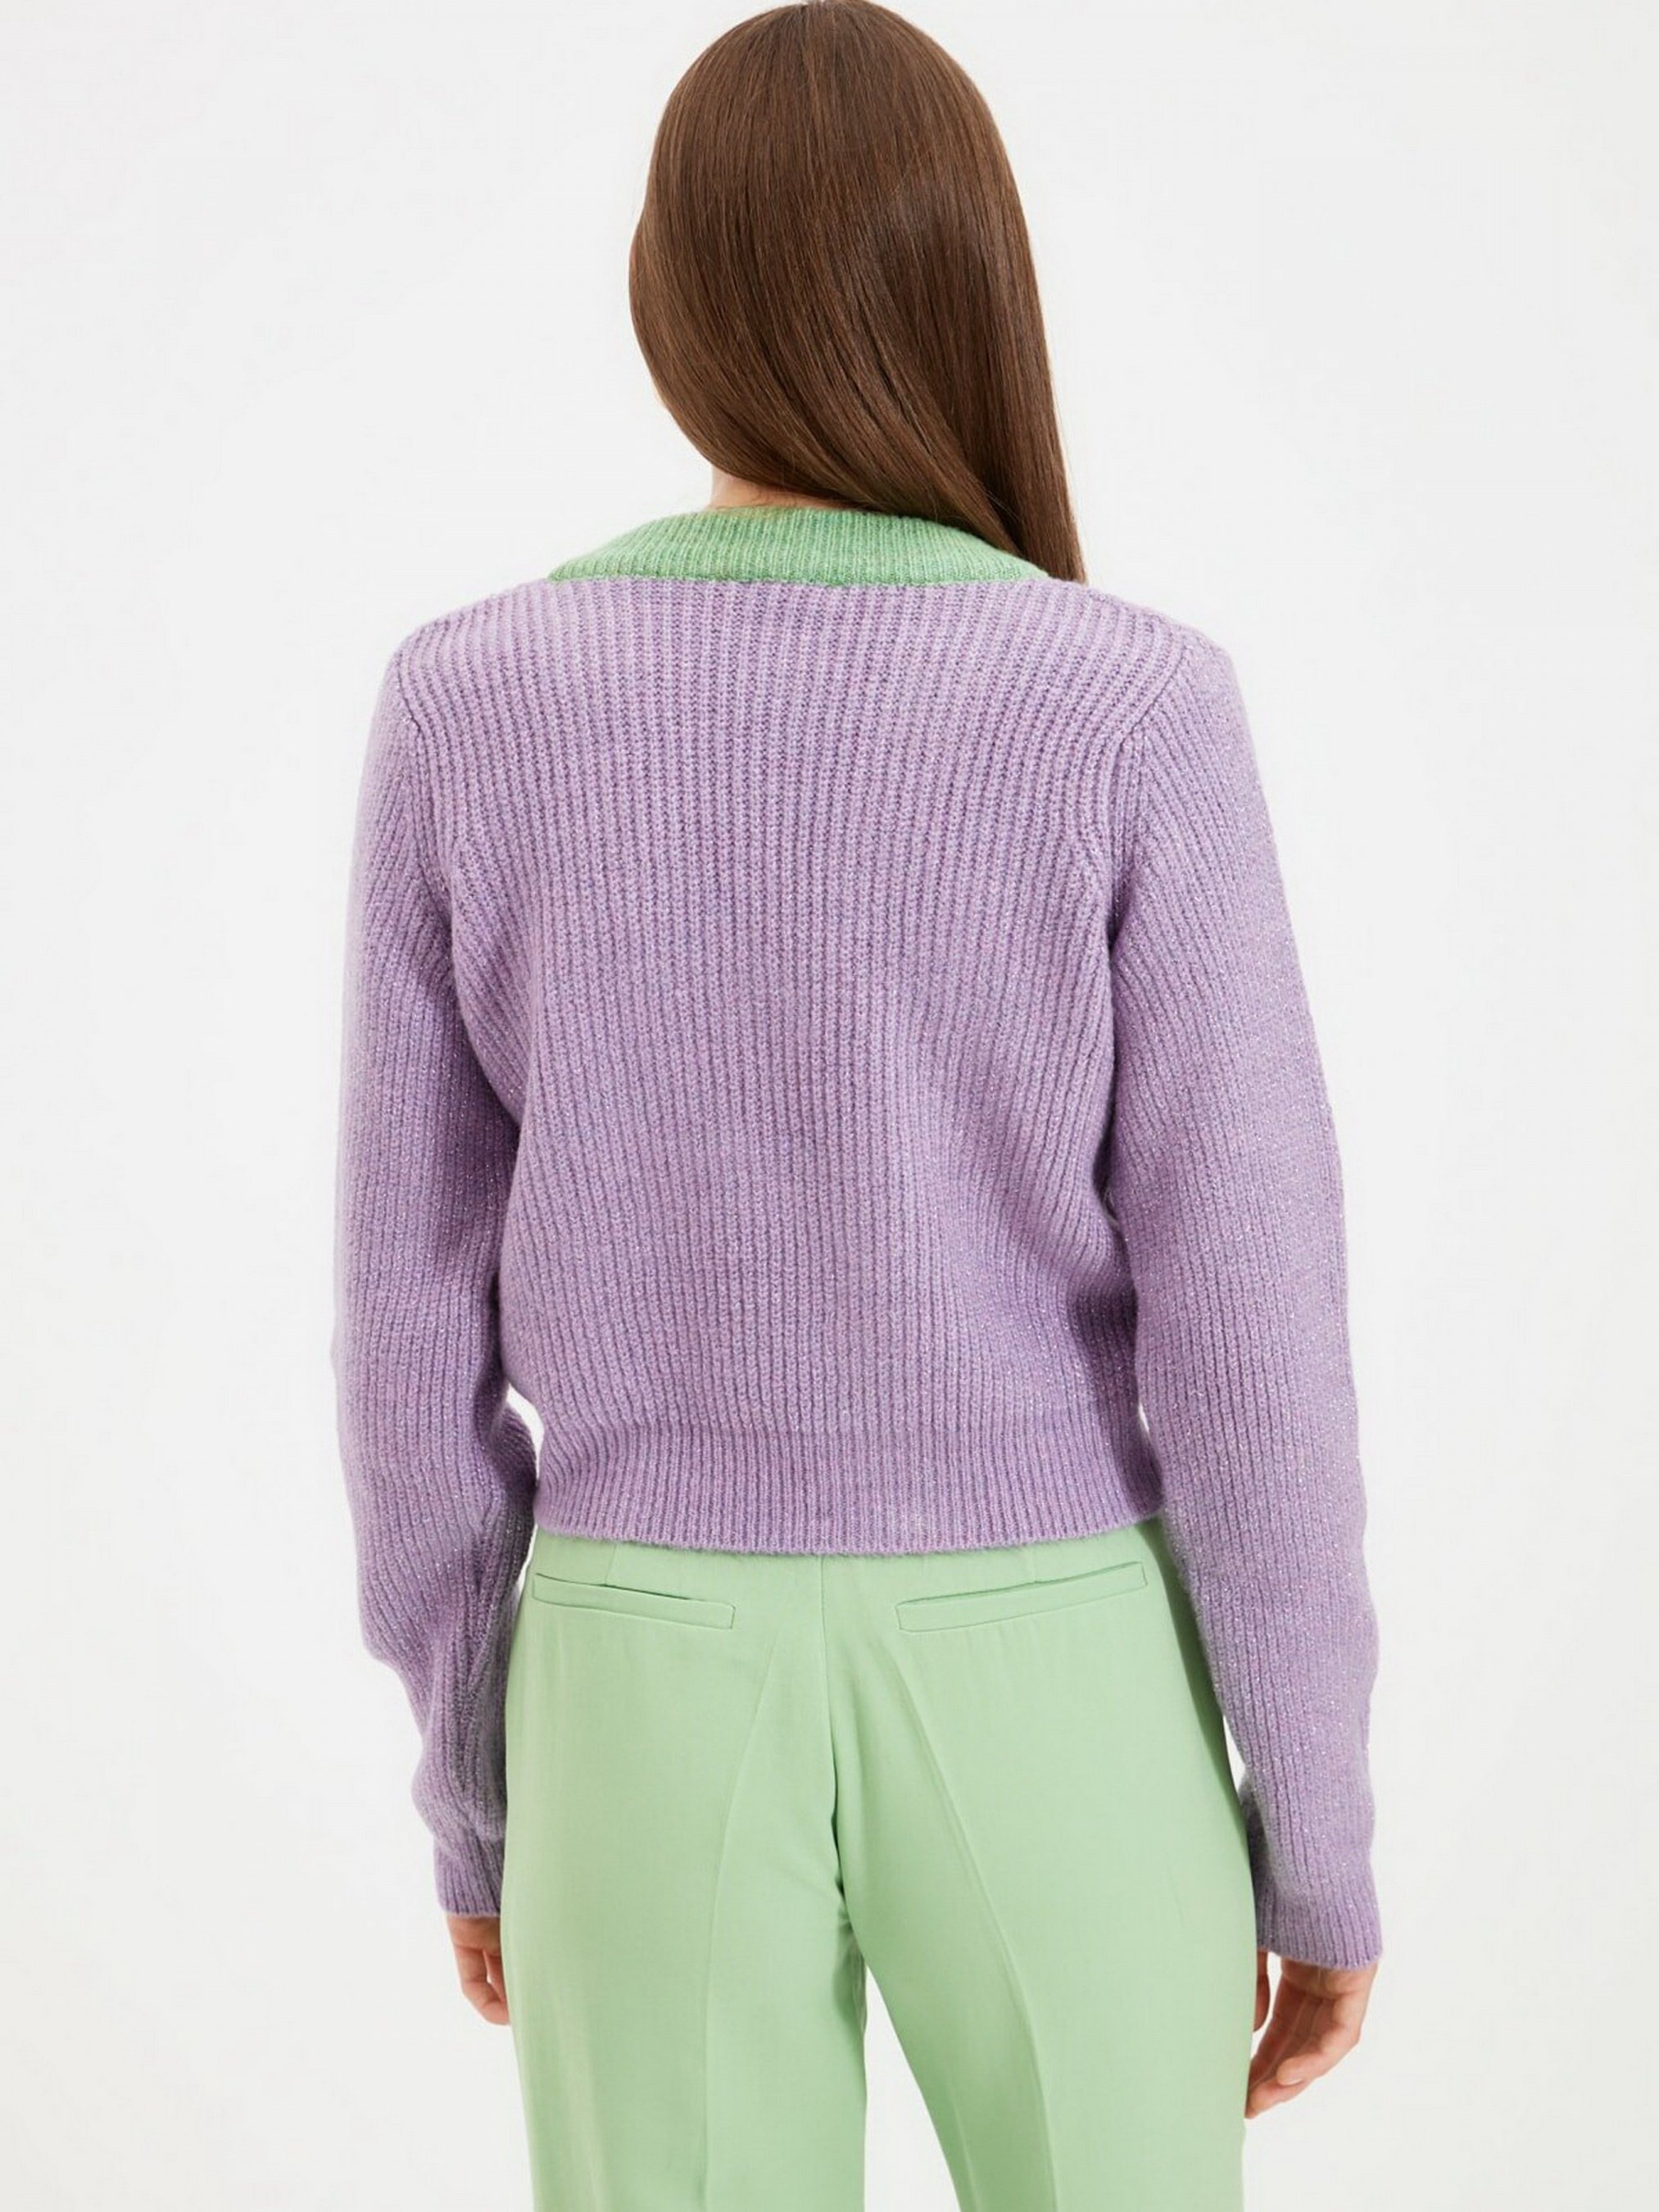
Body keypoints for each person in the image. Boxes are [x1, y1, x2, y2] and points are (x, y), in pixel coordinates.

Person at [331, 2, 1382, 2204]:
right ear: (970, 285)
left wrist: (483, 1794)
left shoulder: (468, 706)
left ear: (665, 293)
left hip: (637, 1686)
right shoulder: (1128, 707)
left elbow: (404, 1334)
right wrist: (1316, 1833)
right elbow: (1250, 1324)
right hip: (1056, 1670)